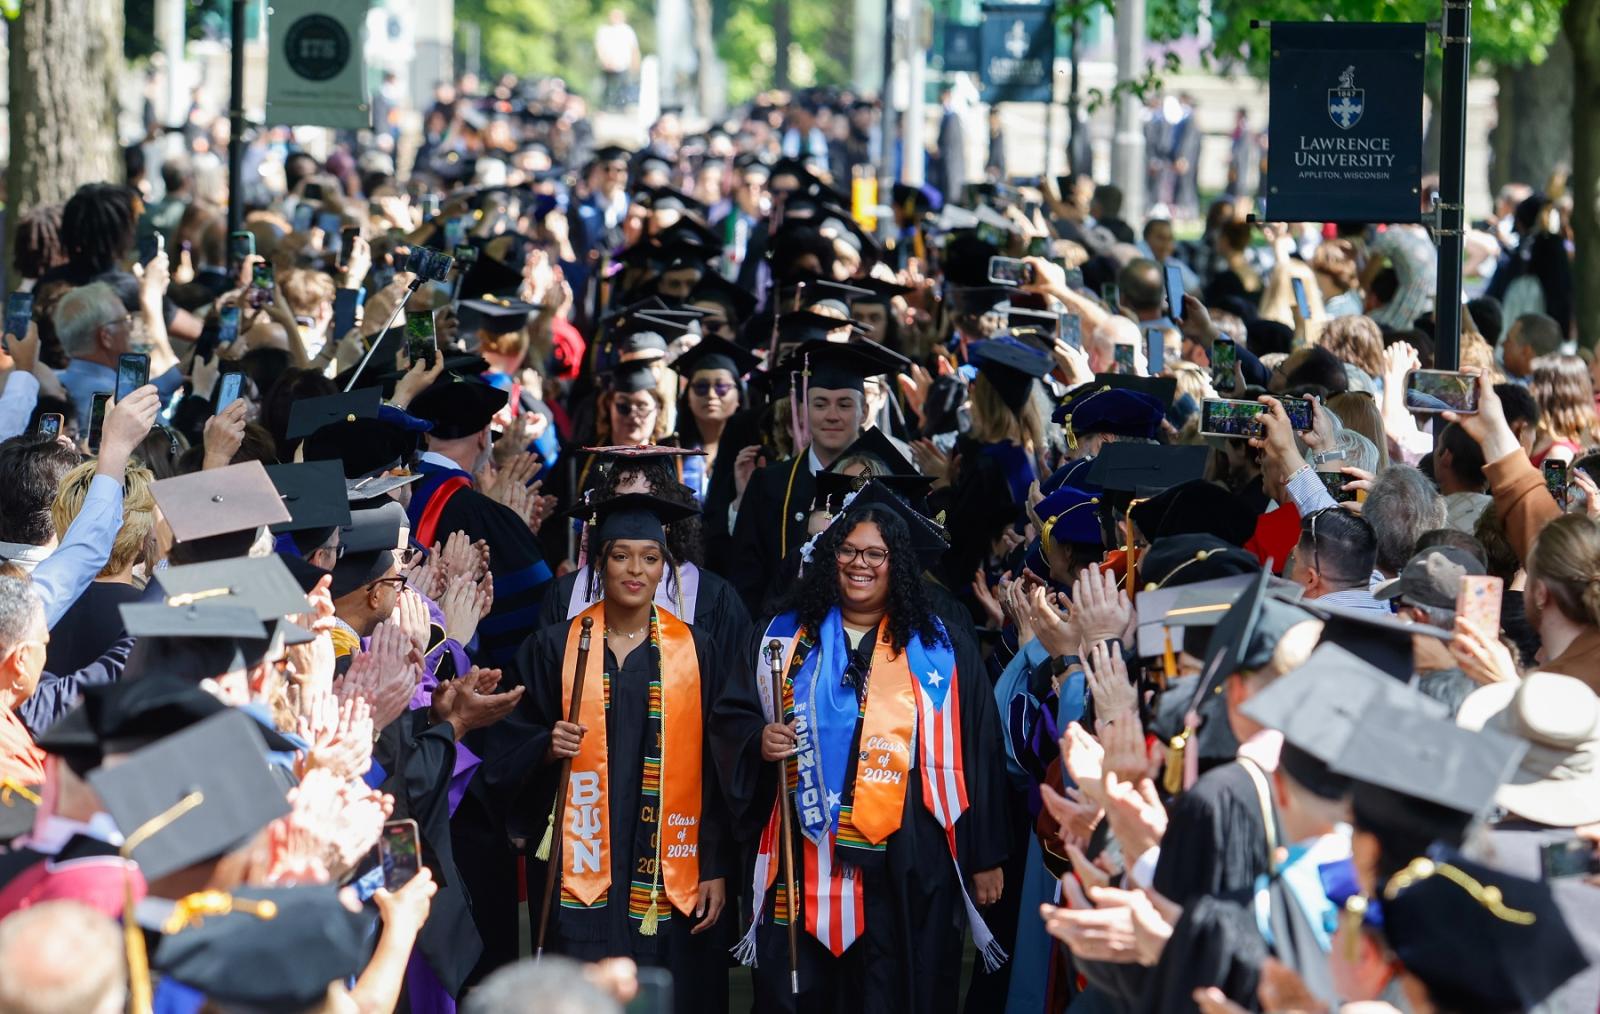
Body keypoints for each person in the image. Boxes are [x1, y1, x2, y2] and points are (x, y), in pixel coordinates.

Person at [727, 486, 1009, 1013]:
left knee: (897, 984)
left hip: (907, 856)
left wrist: (984, 854)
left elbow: (979, 748)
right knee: (800, 989)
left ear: (896, 565)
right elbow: (733, 717)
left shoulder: (941, 647)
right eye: (848, 550)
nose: (860, 565)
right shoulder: (781, 638)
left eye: (875, 554)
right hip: (802, 843)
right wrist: (756, 741)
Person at [516, 493, 754, 1014]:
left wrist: (714, 864)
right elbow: (509, 743)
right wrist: (543, 747)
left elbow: (721, 767)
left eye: (650, 557)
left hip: (672, 873)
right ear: (599, 564)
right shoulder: (557, 647)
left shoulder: (698, 650)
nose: (635, 570)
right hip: (581, 866)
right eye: (621, 555)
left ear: (665, 568)